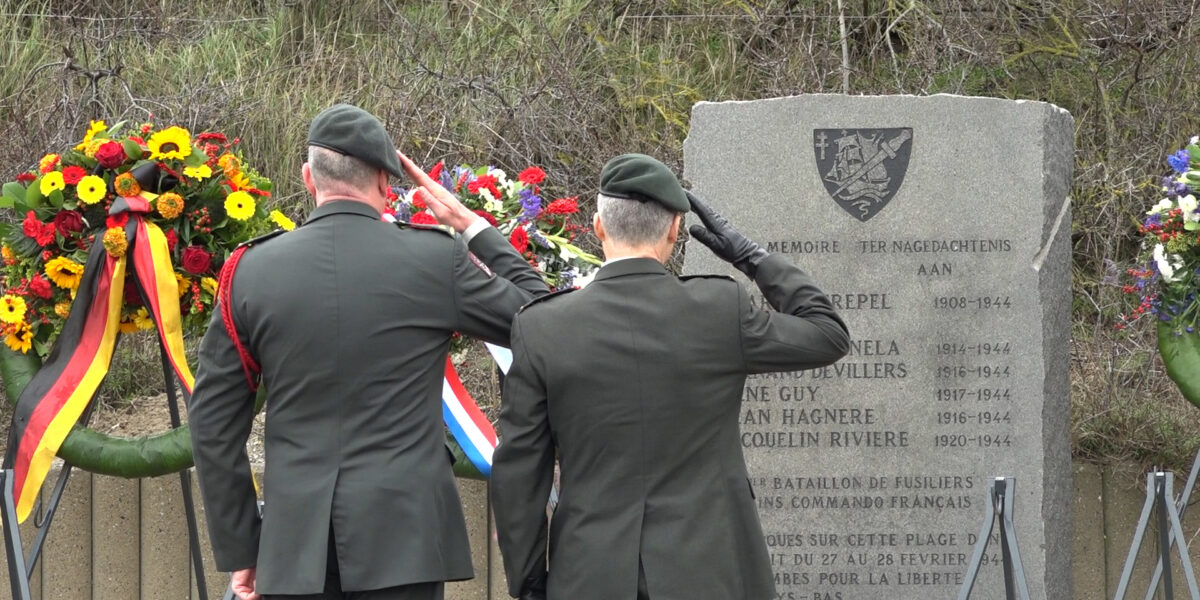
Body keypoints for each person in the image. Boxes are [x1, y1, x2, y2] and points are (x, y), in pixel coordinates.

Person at [188, 103, 548, 600]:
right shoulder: (434, 260)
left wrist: (242, 551)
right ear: (385, 181)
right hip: (406, 544)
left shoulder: (249, 270)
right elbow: (543, 318)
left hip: (293, 552)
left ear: (307, 178)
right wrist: (470, 225)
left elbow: (211, 422)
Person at [490, 153, 851, 600]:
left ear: (599, 227)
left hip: (589, 575)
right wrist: (752, 258)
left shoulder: (541, 327)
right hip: (710, 574)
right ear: (675, 229)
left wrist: (529, 586)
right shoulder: (720, 310)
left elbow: (519, 474)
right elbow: (828, 334)